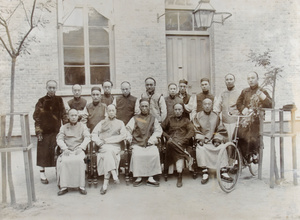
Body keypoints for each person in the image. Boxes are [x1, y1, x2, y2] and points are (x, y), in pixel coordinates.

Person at [33, 80, 67, 184]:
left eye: (54, 88)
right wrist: (38, 132)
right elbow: (36, 117)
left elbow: (64, 115)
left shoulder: (59, 100)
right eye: (50, 87)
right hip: (44, 132)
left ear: (56, 88)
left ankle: (58, 171)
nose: (52, 90)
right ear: (46, 88)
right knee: (43, 152)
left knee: (56, 152)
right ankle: (42, 173)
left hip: (56, 131)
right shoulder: (41, 101)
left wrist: (66, 128)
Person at [192, 98, 232, 184]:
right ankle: (205, 171)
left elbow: (220, 129)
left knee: (222, 148)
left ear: (212, 105)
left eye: (209, 104)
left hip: (214, 141)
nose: (207, 106)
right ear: (202, 106)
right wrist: (200, 139)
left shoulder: (216, 116)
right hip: (203, 141)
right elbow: (196, 129)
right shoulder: (197, 116)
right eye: (205, 104)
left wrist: (217, 139)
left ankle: (223, 170)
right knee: (201, 149)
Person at [236, 71, 272, 163]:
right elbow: (238, 103)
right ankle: (241, 158)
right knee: (238, 134)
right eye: (248, 78)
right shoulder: (245, 91)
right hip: (246, 118)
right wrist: (243, 109)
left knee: (252, 136)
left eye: (253, 78)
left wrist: (263, 97)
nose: (250, 80)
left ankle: (254, 153)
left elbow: (270, 105)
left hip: (257, 119)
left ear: (257, 79)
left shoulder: (262, 91)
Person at [126, 98, 163, 187]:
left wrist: (152, 140)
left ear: (149, 107)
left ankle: (151, 177)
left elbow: (158, 131)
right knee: (137, 155)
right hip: (137, 143)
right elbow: (127, 130)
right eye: (142, 106)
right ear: (139, 107)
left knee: (154, 153)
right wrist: (129, 139)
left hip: (149, 143)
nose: (144, 108)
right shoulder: (134, 118)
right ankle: (138, 177)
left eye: (146, 106)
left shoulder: (153, 119)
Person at [91, 105, 127, 195]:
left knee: (108, 153)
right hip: (103, 146)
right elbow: (94, 134)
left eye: (113, 110)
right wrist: (98, 141)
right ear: (106, 112)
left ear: (116, 112)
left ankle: (105, 185)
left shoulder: (120, 123)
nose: (111, 112)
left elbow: (122, 136)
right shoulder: (101, 123)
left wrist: (107, 140)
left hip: (115, 146)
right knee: (108, 151)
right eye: (109, 110)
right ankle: (113, 175)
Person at [56, 109, 91, 196]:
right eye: (72, 115)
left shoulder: (83, 126)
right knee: (64, 161)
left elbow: (87, 137)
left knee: (79, 161)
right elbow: (59, 139)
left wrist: (81, 147)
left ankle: (81, 186)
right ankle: (64, 187)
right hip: (67, 150)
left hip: (78, 149)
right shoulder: (64, 127)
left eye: (75, 115)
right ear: (68, 116)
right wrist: (65, 148)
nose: (74, 117)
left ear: (78, 116)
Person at [161, 103, 195, 188]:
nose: (177, 111)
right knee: (169, 143)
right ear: (173, 110)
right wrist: (168, 137)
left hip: (182, 142)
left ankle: (180, 175)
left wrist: (183, 140)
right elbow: (160, 129)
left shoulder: (186, 120)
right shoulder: (169, 119)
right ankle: (184, 158)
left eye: (179, 109)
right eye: (176, 109)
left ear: (183, 110)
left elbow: (191, 131)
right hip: (171, 140)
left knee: (171, 145)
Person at [213, 74, 240, 141]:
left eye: (231, 79)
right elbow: (217, 107)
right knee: (225, 140)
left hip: (235, 121)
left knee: (234, 140)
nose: (229, 81)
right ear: (225, 81)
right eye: (227, 79)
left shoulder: (239, 93)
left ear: (234, 80)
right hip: (225, 122)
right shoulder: (222, 93)